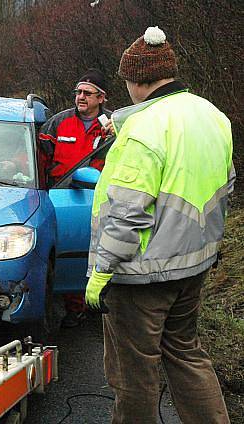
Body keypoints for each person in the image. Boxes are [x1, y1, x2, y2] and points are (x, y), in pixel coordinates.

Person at [85, 26, 234, 423]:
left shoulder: (144, 130)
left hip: (141, 277)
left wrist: (101, 273)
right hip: (194, 264)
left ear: (137, 79)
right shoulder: (211, 114)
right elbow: (224, 184)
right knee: (187, 354)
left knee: (134, 376)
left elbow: (126, 212)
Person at [39, 68, 113, 328]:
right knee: (68, 252)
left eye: (87, 93)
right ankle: (74, 309)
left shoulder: (112, 128)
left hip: (103, 199)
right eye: (78, 92)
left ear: (101, 98)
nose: (80, 97)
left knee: (100, 254)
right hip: (64, 198)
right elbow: (40, 158)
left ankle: (97, 302)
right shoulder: (58, 123)